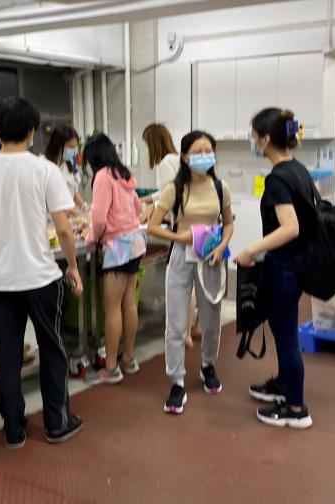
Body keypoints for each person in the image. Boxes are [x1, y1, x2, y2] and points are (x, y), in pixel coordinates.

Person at [0, 97, 85, 448]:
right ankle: (57, 423)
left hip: (0, 282)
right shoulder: (44, 170)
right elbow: (63, 229)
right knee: (52, 349)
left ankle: (14, 430)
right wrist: (73, 267)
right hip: (41, 278)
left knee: (8, 356)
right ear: (32, 131)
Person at [235, 108, 316, 430]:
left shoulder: (279, 178)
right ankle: (284, 384)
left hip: (285, 266)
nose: (253, 142)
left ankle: (296, 408)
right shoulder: (298, 170)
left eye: (254, 136)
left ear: (266, 139)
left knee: (286, 337)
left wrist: (251, 249)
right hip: (293, 264)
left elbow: (291, 227)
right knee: (284, 331)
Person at [147, 130, 234, 415]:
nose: (203, 156)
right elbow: (153, 226)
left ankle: (208, 365)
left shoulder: (221, 188)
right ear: (185, 157)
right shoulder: (174, 189)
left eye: (208, 150)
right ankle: (177, 381)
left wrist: (222, 246)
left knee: (211, 317)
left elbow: (229, 223)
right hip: (182, 256)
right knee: (176, 320)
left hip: (210, 256)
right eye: (197, 152)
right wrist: (179, 237)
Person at [82, 133, 146, 385]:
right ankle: (128, 358)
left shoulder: (102, 176)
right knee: (128, 303)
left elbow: (98, 219)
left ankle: (110, 367)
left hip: (117, 246)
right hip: (135, 243)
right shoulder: (124, 173)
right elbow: (138, 208)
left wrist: (91, 238)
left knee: (111, 309)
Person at [141, 123, 201, 348]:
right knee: (197, 282)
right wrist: (151, 200)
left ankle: (183, 332)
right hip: (193, 223)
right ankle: (196, 327)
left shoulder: (166, 161)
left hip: (181, 225)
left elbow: (169, 193)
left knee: (185, 284)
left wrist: (151, 204)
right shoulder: (176, 159)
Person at [45, 125, 87, 212]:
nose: (73, 151)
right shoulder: (44, 166)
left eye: (75, 147)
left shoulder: (72, 163)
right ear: (58, 145)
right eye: (70, 147)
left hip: (70, 215)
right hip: (50, 217)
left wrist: (84, 206)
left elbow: (74, 192)